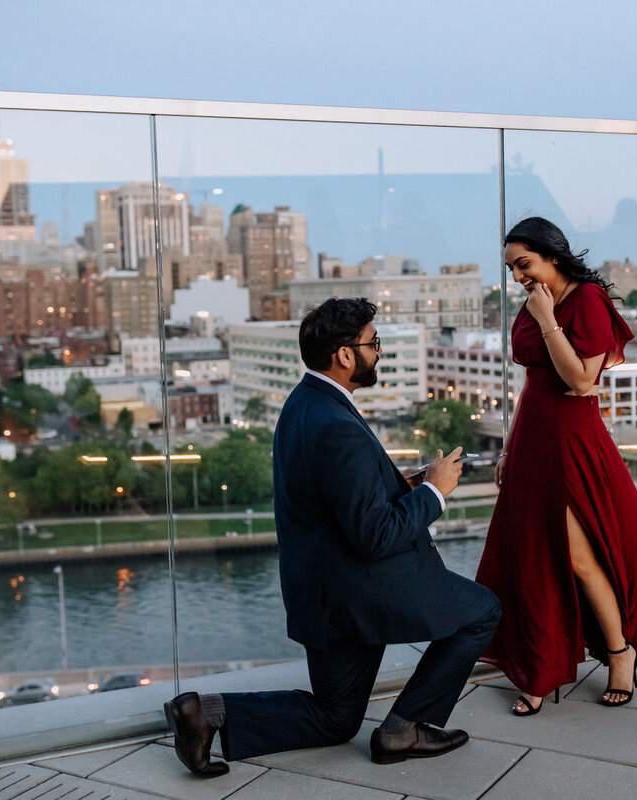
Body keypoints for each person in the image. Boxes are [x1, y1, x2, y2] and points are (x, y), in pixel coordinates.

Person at [164, 297, 501, 777]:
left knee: (336, 717)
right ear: (345, 355)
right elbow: (375, 535)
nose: (378, 352)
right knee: (482, 612)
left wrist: (395, 485)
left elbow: (336, 499)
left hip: (321, 594)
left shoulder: (304, 404)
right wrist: (433, 492)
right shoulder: (337, 425)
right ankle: (404, 729)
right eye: (373, 342)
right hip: (360, 592)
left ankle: (206, 712)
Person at [475, 217, 637, 715]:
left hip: (572, 440)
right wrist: (509, 447)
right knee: (533, 557)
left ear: (552, 256)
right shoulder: (536, 300)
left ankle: (620, 654)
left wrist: (546, 320)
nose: (517, 276)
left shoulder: (585, 301)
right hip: (532, 438)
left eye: (524, 264)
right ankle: (539, 670)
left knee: (579, 558)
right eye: (511, 268)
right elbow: (533, 383)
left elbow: (581, 381)